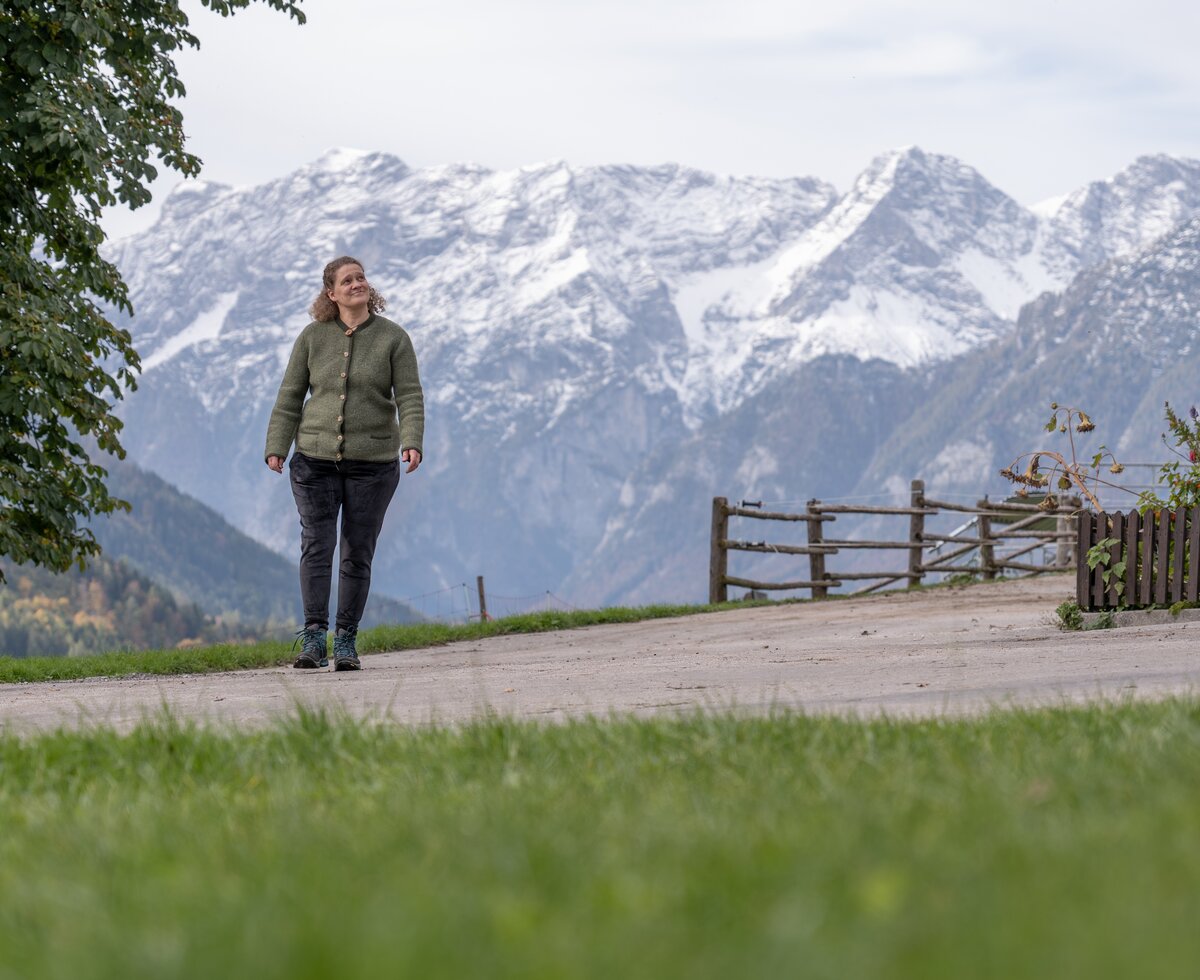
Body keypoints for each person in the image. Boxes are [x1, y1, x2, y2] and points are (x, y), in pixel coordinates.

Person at [264, 256, 424, 670]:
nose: (358, 283)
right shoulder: (312, 337)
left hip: (373, 463)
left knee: (357, 552)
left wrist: (412, 441)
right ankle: (314, 639)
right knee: (317, 546)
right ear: (330, 293)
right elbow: (289, 396)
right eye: (347, 280)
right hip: (313, 461)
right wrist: (276, 445)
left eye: (361, 277)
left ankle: (346, 641)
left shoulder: (394, 338)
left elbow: (409, 395)